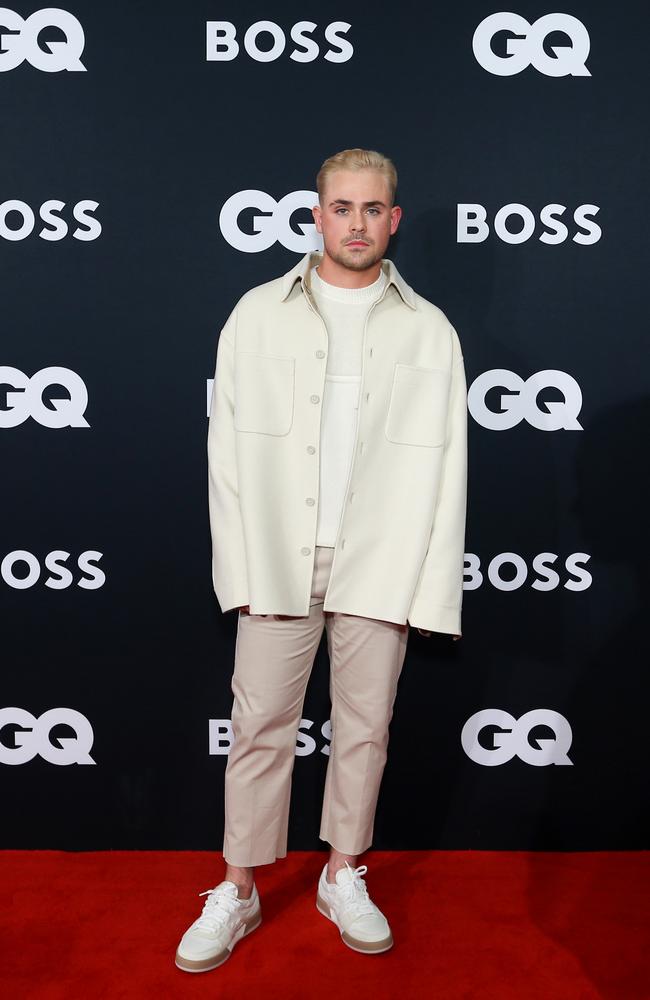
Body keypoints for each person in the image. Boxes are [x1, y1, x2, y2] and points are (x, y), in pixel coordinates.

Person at [175, 148, 468, 973]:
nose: (357, 224)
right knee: (259, 723)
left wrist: (428, 585)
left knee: (366, 728)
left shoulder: (429, 329)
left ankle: (344, 873)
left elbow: (449, 471)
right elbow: (224, 455)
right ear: (317, 215)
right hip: (276, 553)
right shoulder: (257, 314)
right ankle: (238, 888)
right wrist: (237, 567)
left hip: (380, 554)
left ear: (394, 220)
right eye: (342, 208)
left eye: (373, 210)